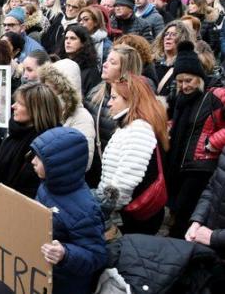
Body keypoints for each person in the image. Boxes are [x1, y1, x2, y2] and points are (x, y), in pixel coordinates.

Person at [31, 128, 107, 294]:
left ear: (58, 166)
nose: (33, 161)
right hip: (45, 276)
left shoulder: (86, 210)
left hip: (66, 285)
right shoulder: (47, 186)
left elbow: (97, 255)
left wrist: (65, 253)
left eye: (40, 158)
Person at [96, 74, 169, 235]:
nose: (109, 103)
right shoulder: (130, 126)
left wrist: (105, 209)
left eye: (114, 97)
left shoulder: (139, 130)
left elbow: (124, 183)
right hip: (132, 216)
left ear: (131, 100)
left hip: (134, 220)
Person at [166, 41, 225, 239]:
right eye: (180, 81)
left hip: (201, 164)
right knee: (178, 208)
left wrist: (214, 142)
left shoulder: (215, 95)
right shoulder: (180, 99)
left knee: (184, 211)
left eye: (188, 80)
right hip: (180, 163)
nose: (184, 86)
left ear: (199, 77)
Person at [37, 60, 96, 169]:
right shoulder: (46, 111)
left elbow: (84, 161)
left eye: (49, 88)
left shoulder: (82, 118)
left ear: (64, 89)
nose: (45, 92)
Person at [58, 25, 101, 97]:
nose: (68, 42)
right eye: (66, 38)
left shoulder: (90, 71)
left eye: (73, 38)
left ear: (83, 43)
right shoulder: (59, 63)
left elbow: (92, 100)